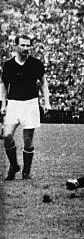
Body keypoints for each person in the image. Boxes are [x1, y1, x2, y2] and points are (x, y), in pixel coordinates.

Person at [1, 35, 51, 180]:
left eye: (28, 45)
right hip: (14, 103)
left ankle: (26, 171)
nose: (26, 48)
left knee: (28, 140)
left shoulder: (35, 63)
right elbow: (4, 85)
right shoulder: (9, 65)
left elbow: (43, 83)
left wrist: (46, 102)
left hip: (30, 103)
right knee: (7, 135)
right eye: (23, 45)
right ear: (16, 46)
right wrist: (3, 105)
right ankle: (13, 165)